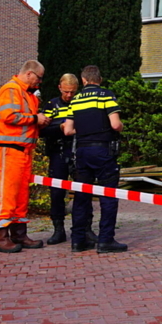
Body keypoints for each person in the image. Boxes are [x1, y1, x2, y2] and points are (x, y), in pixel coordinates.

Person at [62, 65, 127, 253]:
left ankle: (78, 241)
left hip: (82, 152)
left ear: (83, 80)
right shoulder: (106, 95)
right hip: (103, 151)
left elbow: (67, 130)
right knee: (108, 196)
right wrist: (121, 126)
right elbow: (115, 125)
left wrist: (84, 130)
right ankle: (106, 240)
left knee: (82, 196)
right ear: (100, 79)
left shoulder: (75, 100)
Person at [0, 60, 49, 253]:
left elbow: (21, 119)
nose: (39, 82)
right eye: (38, 78)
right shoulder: (11, 90)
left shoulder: (26, 94)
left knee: (20, 195)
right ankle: (1, 238)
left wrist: (38, 122)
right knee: (7, 193)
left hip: (22, 150)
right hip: (9, 149)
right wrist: (35, 119)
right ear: (30, 74)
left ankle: (19, 234)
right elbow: (9, 116)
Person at [41, 74, 99, 245]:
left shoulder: (81, 103)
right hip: (58, 153)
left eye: (72, 92)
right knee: (57, 193)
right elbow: (41, 129)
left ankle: (85, 229)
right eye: (66, 92)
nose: (69, 96)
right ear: (60, 87)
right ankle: (58, 230)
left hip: (78, 153)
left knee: (84, 192)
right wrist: (59, 127)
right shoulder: (52, 105)